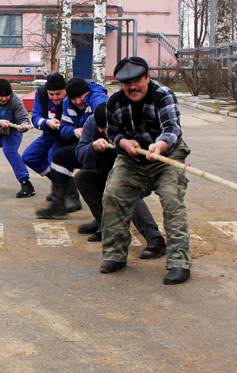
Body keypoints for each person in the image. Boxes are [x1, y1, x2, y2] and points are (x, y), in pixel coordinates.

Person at [101, 56, 191, 285]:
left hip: (166, 157)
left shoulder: (164, 95)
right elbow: (113, 133)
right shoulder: (115, 103)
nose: (133, 87)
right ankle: (115, 255)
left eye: (138, 80)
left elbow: (172, 128)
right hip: (132, 159)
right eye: (126, 83)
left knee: (172, 200)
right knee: (113, 194)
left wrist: (160, 145)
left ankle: (179, 262)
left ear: (148, 77)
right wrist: (123, 143)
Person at [74, 102, 166, 259]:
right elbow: (80, 154)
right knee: (82, 177)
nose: (104, 132)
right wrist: (93, 147)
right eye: (101, 129)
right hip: (109, 175)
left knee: (126, 191)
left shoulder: (131, 123)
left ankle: (155, 238)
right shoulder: (91, 123)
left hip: (139, 175)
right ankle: (105, 225)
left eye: (107, 128)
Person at [35, 76, 108, 218]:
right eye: (73, 98)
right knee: (59, 157)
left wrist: (87, 133)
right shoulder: (68, 102)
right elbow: (64, 128)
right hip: (85, 145)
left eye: (81, 97)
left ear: (87, 92)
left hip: (104, 148)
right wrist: (74, 131)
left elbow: (103, 121)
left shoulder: (98, 99)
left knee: (90, 175)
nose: (78, 101)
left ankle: (103, 218)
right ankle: (59, 204)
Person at [22, 72, 67, 181]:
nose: (55, 98)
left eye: (58, 94)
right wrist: (47, 122)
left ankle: (68, 192)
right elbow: (35, 117)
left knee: (54, 158)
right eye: (51, 94)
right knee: (29, 157)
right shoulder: (41, 93)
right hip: (49, 134)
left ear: (65, 90)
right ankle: (59, 183)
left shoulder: (72, 96)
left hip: (66, 136)